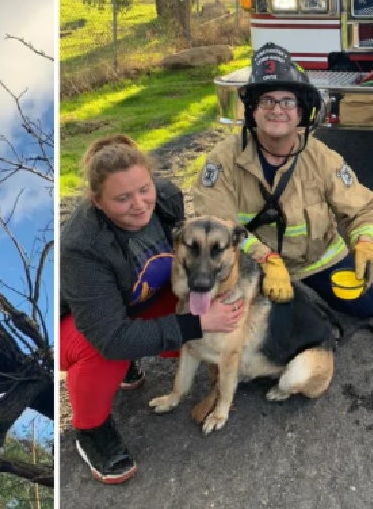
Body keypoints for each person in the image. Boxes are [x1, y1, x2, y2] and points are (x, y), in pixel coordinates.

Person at [60, 134, 244, 485]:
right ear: (98, 202)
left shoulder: (167, 198)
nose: (140, 204)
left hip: (135, 299)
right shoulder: (82, 246)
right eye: (122, 198)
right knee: (104, 349)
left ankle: (132, 362)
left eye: (144, 189)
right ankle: (91, 431)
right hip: (79, 325)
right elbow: (110, 337)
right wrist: (195, 323)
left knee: (207, 324)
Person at [192, 42, 373, 319]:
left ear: (301, 112)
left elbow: (363, 208)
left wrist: (366, 242)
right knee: (247, 323)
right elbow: (214, 227)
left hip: (316, 260)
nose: (277, 109)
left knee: (366, 305)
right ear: (252, 111)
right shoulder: (222, 161)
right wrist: (267, 259)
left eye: (287, 101)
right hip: (256, 266)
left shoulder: (321, 156)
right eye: (266, 100)